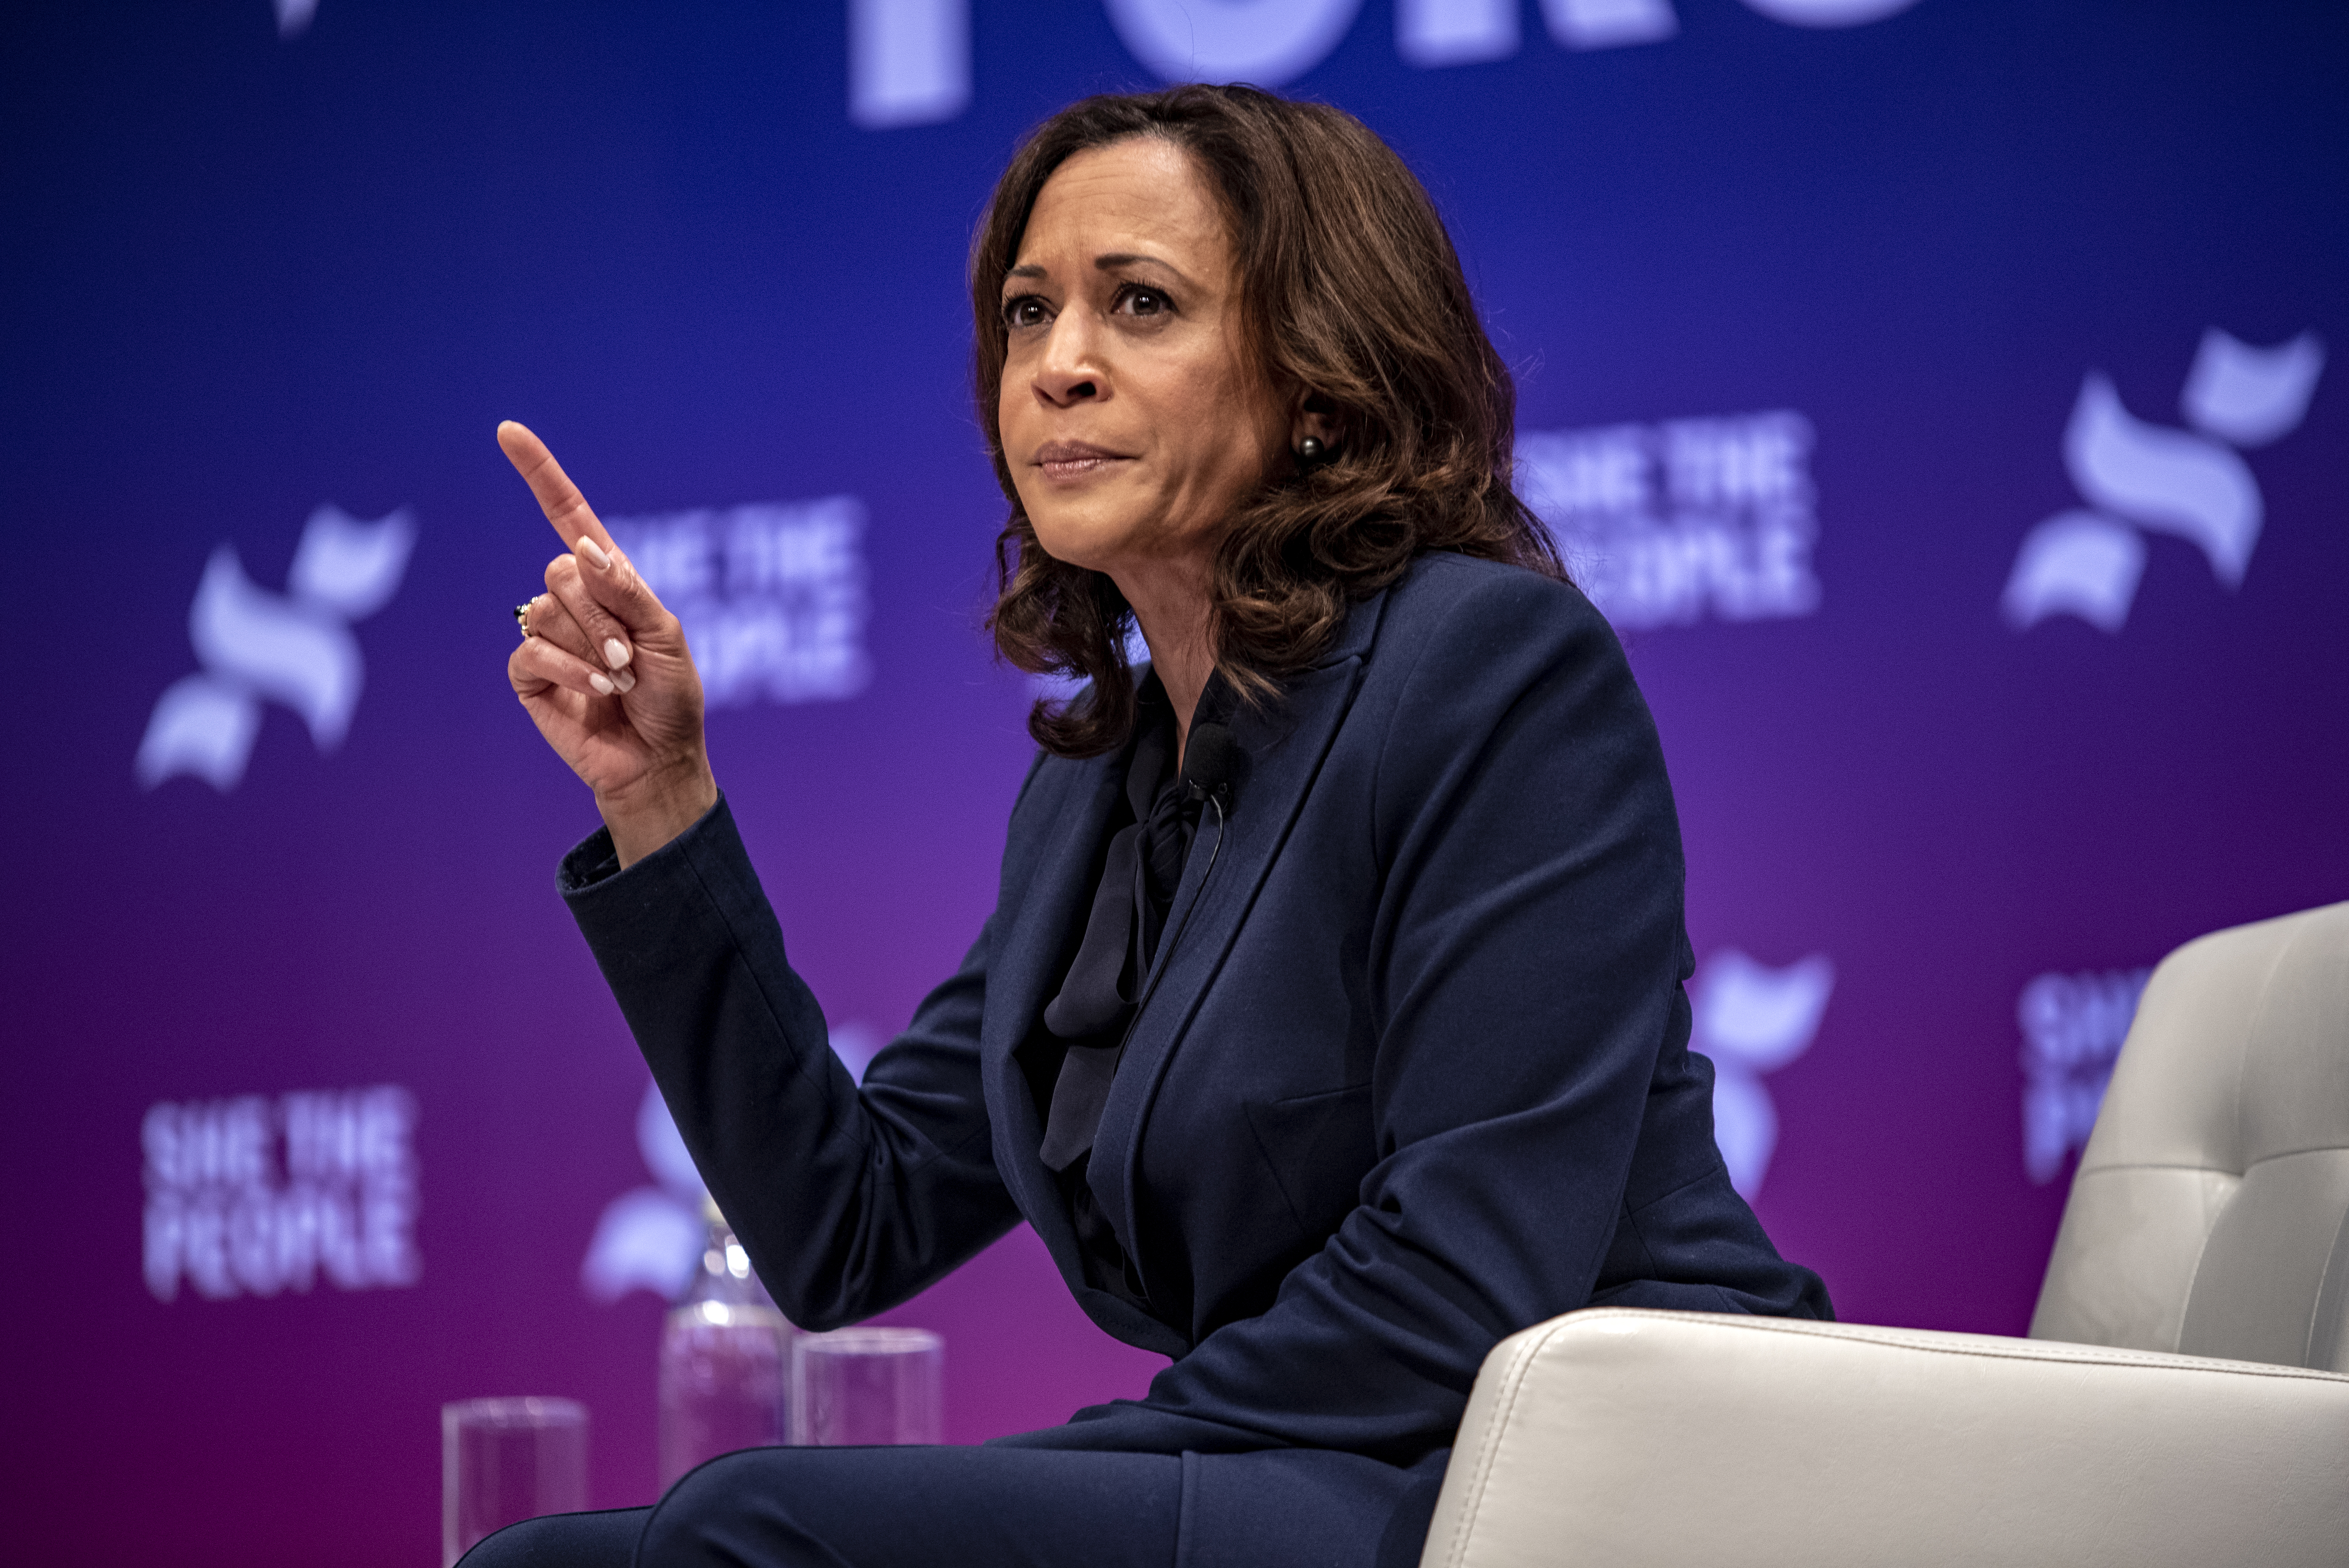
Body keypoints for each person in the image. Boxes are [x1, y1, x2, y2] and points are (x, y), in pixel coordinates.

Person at [476, 84, 1829, 1568]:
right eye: (1027, 312)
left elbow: (1464, 1277)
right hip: (1319, 1472)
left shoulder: (1492, 671)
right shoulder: (1099, 786)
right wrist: (661, 800)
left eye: (1141, 305)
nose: (1060, 366)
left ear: (1319, 383)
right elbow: (841, 1222)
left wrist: (1040, 1487)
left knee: (758, 1527)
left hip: (1585, 1486)